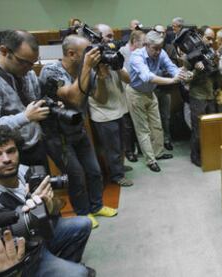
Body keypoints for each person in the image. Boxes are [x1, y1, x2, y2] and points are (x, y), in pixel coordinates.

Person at [39, 35, 117, 228]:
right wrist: (87, 68)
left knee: (94, 170)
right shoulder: (51, 71)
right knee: (76, 176)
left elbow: (102, 98)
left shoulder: (87, 71)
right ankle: (83, 212)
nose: (93, 56)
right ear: (72, 54)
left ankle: (97, 206)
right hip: (57, 137)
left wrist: (100, 77)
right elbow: (73, 98)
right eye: (87, 53)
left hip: (78, 131)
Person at [0, 125, 94, 276]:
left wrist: (50, 205)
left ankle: (65, 264)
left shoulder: (24, 170)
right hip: (24, 254)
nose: (6, 159)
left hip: (41, 236)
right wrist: (36, 211)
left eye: (11, 151)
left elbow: (56, 206)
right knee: (80, 273)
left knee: (83, 224)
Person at [128, 31, 187, 172]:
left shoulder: (160, 53)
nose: (158, 52)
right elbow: (148, 77)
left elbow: (171, 67)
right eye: (155, 48)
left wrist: (180, 74)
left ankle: (158, 153)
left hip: (150, 93)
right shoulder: (136, 56)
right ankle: (150, 160)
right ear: (146, 45)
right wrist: (172, 80)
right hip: (136, 93)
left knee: (157, 125)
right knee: (143, 130)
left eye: (160, 48)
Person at [88, 23, 133, 187]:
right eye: (109, 37)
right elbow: (100, 99)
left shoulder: (112, 55)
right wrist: (101, 75)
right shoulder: (90, 63)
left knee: (120, 145)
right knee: (112, 148)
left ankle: (119, 167)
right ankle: (116, 175)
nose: (113, 40)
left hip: (119, 109)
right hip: (104, 114)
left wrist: (117, 66)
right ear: (96, 39)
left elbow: (129, 80)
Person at [0, 30, 50, 167]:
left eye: (32, 63)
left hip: (36, 144)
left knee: (44, 187)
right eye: (23, 62)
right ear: (4, 51)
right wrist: (26, 117)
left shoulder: (28, 72)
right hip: (8, 154)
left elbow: (36, 99)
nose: (29, 68)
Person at [184, 27, 218, 167]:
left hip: (210, 95)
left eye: (212, 39)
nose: (211, 41)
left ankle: (208, 155)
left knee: (212, 128)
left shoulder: (211, 53)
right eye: (208, 38)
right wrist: (197, 70)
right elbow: (186, 80)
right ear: (200, 37)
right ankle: (195, 156)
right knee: (198, 129)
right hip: (197, 96)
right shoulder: (190, 56)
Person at [119, 30, 146, 161]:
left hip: (139, 92)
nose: (145, 45)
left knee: (140, 122)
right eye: (143, 42)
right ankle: (129, 150)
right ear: (135, 42)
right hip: (125, 93)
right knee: (127, 125)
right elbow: (125, 76)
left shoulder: (141, 53)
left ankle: (141, 147)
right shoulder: (123, 53)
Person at [154, 24, 174, 151]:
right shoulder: (148, 47)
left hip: (165, 88)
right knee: (154, 118)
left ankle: (167, 139)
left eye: (163, 33)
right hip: (151, 89)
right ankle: (157, 143)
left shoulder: (170, 48)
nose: (161, 35)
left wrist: (156, 73)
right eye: (158, 32)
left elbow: (172, 68)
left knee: (165, 117)